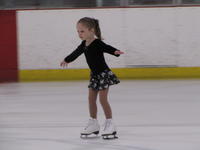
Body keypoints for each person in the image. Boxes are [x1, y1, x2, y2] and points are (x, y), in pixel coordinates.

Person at [60, 17, 124, 139]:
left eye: (82, 31)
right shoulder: (83, 44)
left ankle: (110, 123)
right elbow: (76, 53)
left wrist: (115, 51)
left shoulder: (97, 43)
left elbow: (107, 47)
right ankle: (94, 123)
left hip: (104, 74)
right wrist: (67, 59)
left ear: (91, 30)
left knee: (102, 100)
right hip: (94, 76)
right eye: (78, 31)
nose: (79, 34)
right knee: (90, 99)